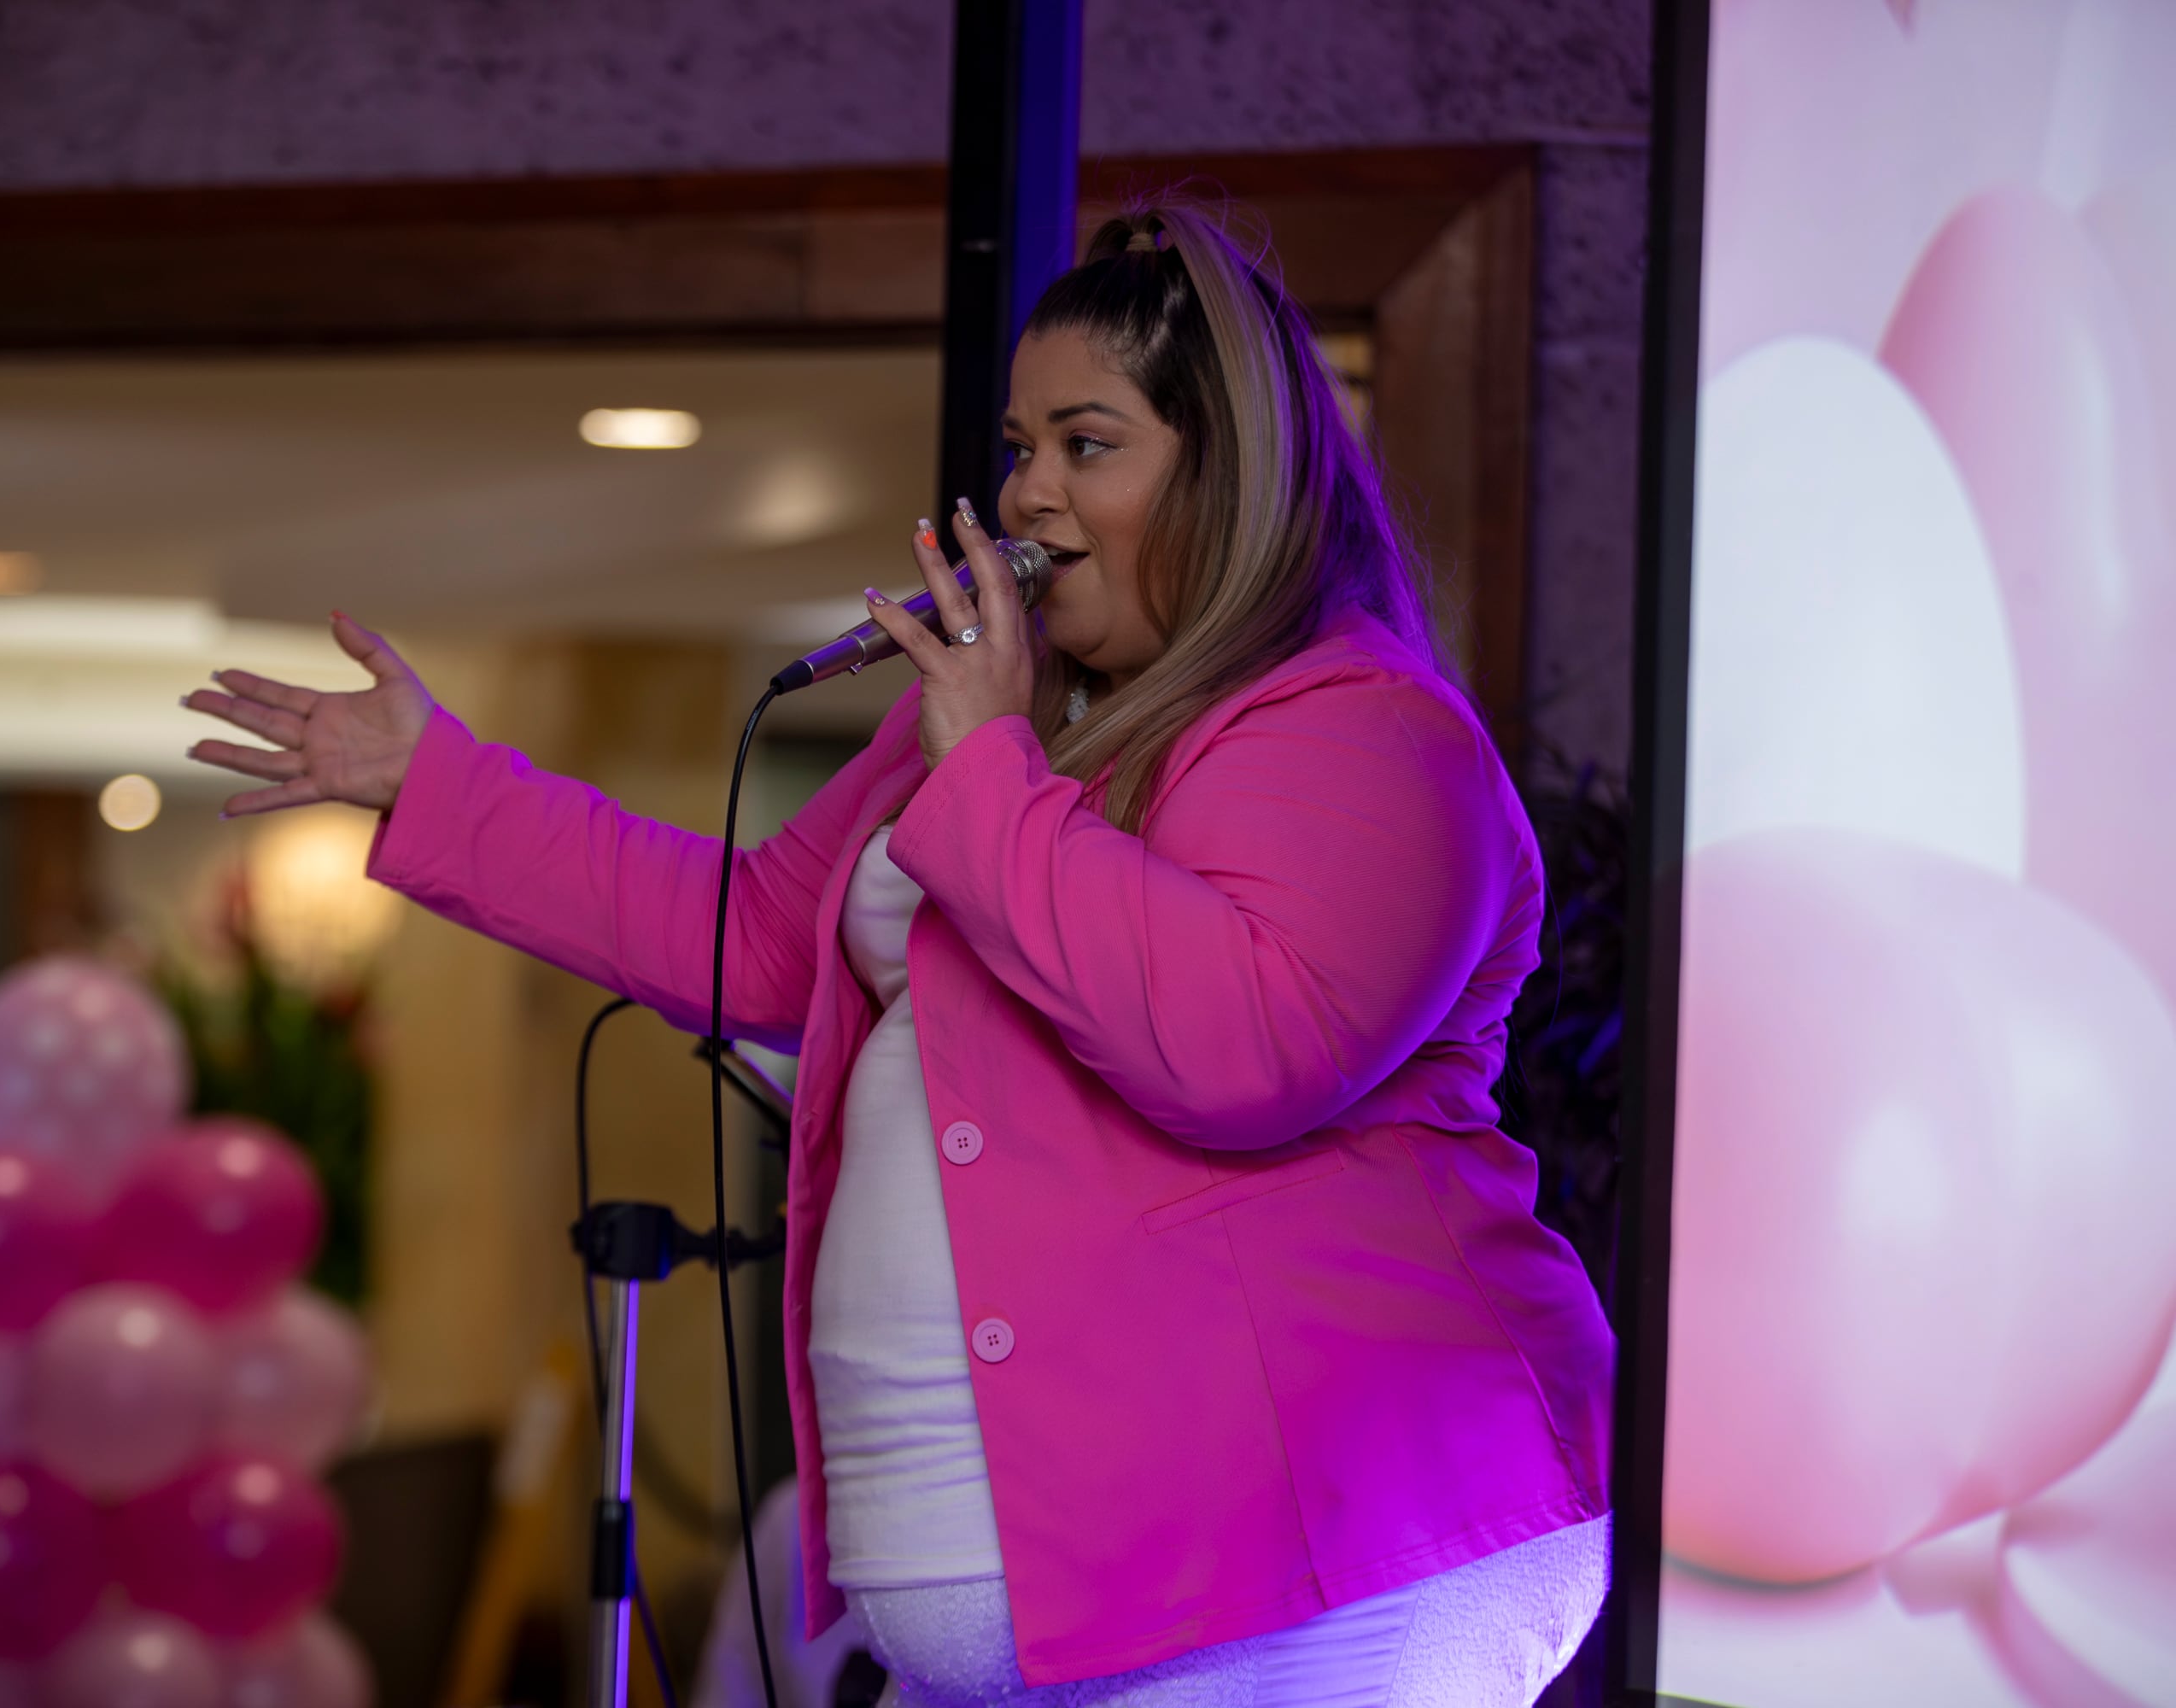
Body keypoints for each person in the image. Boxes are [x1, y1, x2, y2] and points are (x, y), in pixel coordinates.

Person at [186, 199, 1614, 1708]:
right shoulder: (987, 730)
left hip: (1325, 1575)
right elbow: (748, 937)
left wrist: (992, 754)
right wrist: (441, 787)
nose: (1029, 494)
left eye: (1089, 443)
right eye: (1019, 446)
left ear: (1234, 473)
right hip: (1072, 1614)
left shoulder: (1357, 730)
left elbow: (1238, 1051)